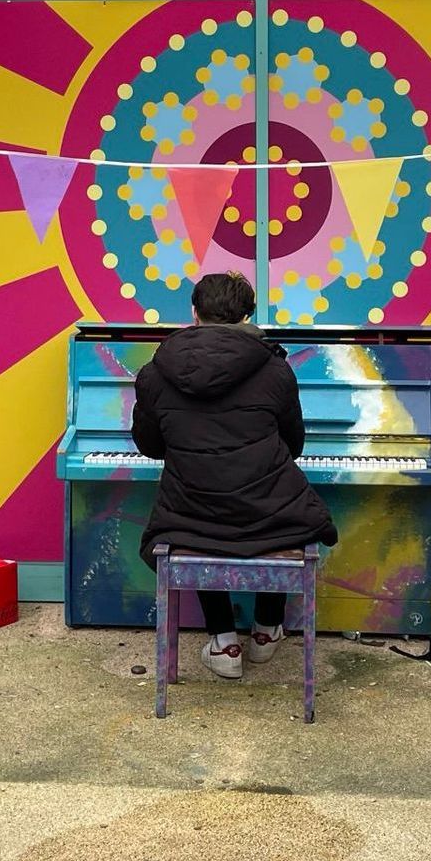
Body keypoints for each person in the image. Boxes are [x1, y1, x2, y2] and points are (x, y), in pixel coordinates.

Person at [131, 272, 337, 679]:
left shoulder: (154, 373)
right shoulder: (276, 370)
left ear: (194, 313)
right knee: (290, 518)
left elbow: (150, 446)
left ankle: (223, 641)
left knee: (195, 519)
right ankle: (266, 629)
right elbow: (294, 446)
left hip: (190, 512)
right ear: (247, 316)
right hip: (265, 512)